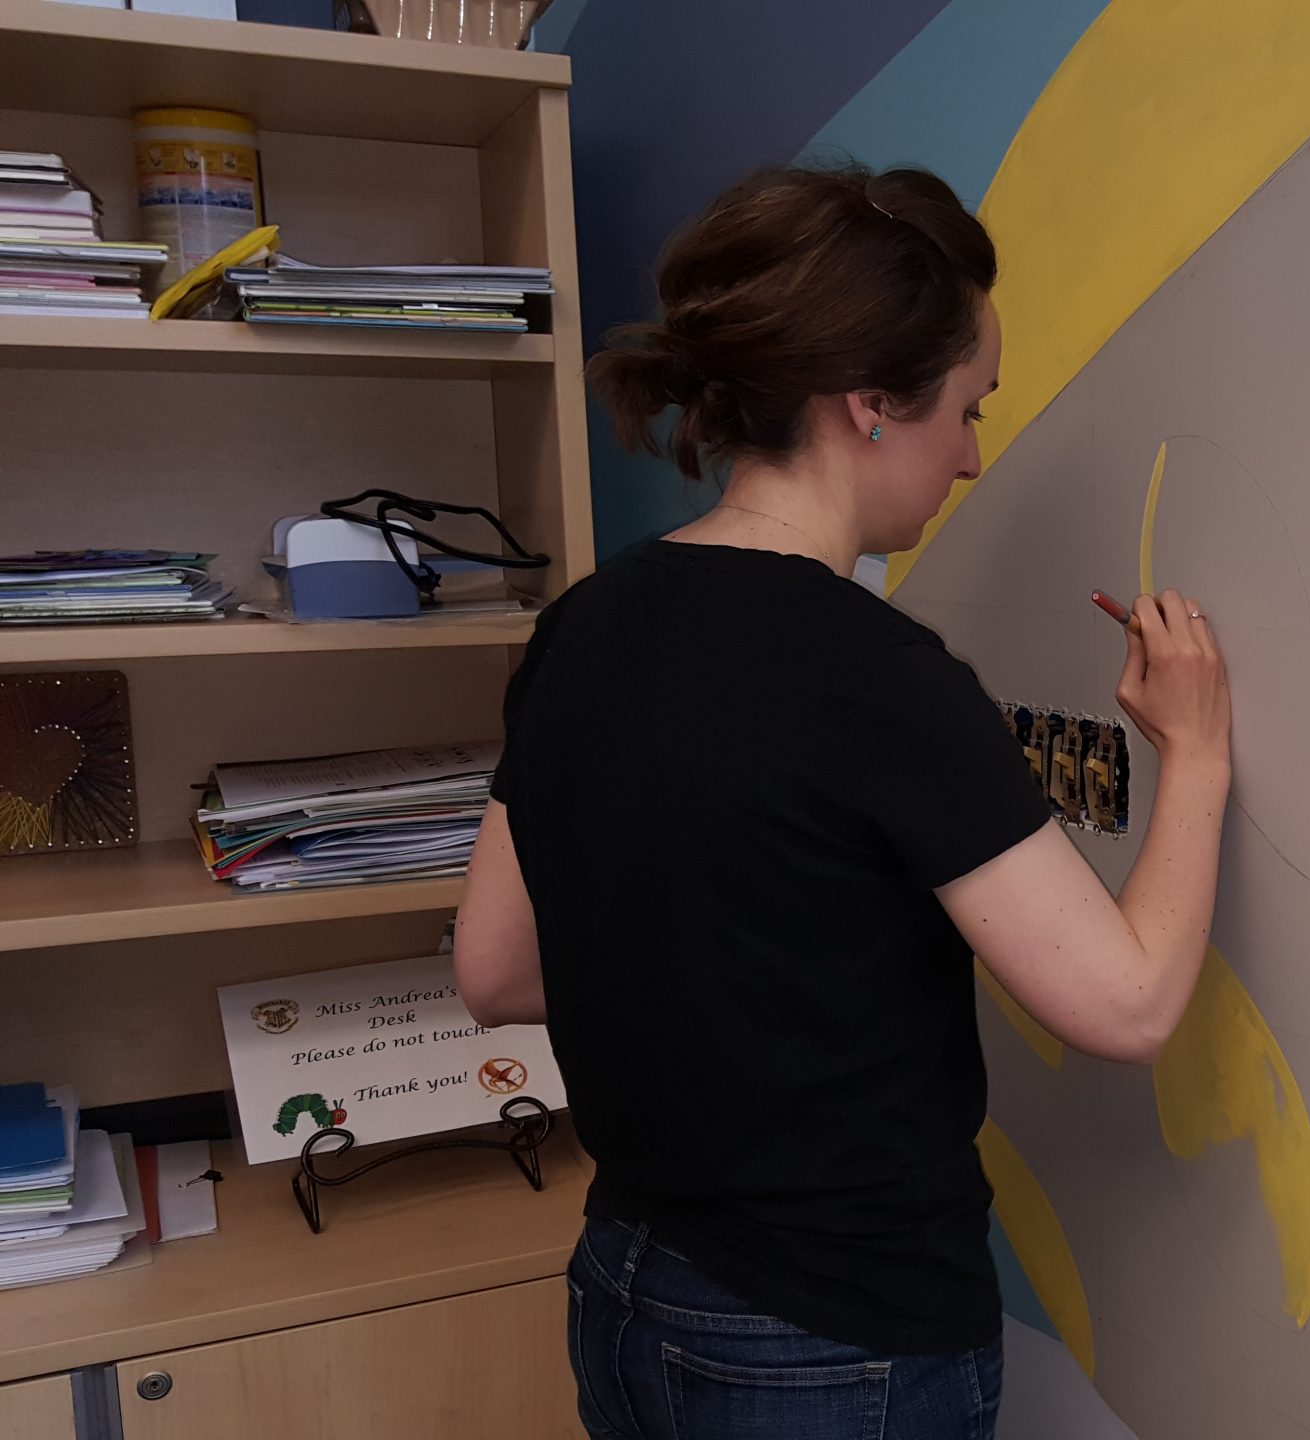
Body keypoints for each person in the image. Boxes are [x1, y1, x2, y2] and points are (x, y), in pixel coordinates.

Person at [451, 163, 1233, 1440]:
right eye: (969, 411)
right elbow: (1130, 1002)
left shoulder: (583, 626)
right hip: (827, 1345)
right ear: (869, 404)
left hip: (628, 1295)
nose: (975, 458)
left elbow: (494, 968)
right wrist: (1193, 757)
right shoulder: (879, 679)